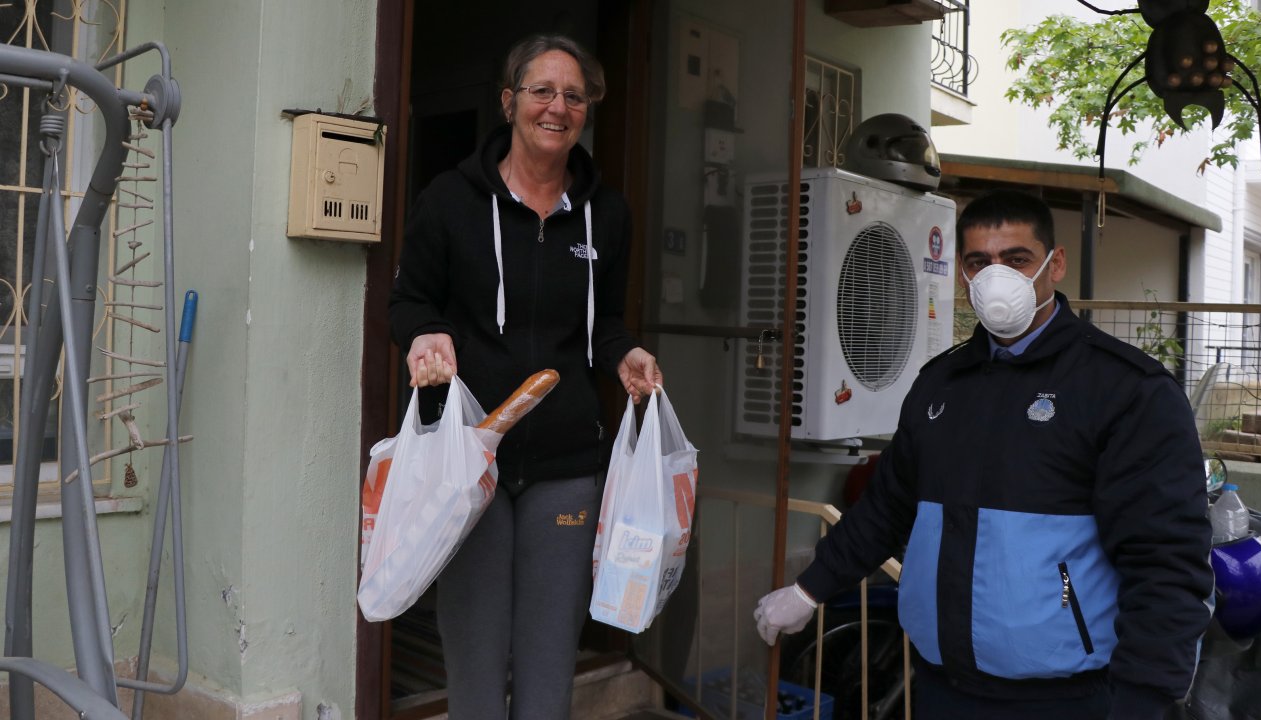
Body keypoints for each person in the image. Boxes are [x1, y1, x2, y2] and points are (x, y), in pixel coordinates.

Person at [754, 190, 1214, 720]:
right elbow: (885, 509)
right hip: (943, 687)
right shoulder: (940, 385)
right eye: (979, 262)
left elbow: (1165, 561)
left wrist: (1145, 699)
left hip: (1070, 699)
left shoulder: (1124, 390)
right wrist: (809, 590)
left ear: (1054, 263)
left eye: (1016, 259)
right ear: (962, 276)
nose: (998, 277)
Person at [388, 34, 661, 720]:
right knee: (475, 655)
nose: (557, 106)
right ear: (509, 102)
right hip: (471, 455)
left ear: (587, 110)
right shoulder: (451, 200)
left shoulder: (609, 215)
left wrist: (625, 354)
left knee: (547, 660)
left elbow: (606, 326)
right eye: (542, 91)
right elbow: (411, 300)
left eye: (574, 95)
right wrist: (424, 336)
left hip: (566, 459)